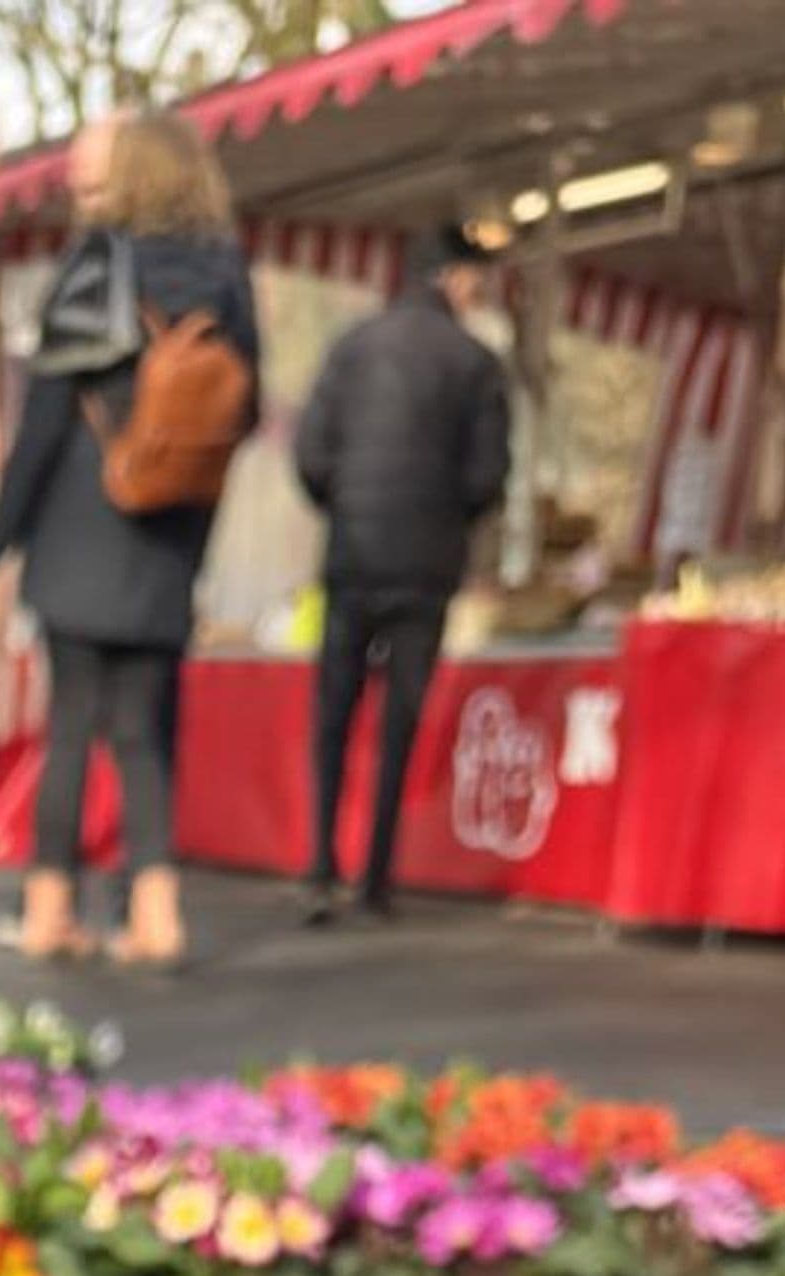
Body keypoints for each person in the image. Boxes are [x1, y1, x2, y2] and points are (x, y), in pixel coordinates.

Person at [0, 107, 258, 969]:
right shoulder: (224, 274)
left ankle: (49, 909)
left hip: (78, 520)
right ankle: (156, 912)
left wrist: (1, 533)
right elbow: (239, 409)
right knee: (141, 729)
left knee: (69, 724)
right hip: (169, 529)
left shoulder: (96, 264)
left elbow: (47, 415)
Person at [292, 224, 510, 927]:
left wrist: (345, 505)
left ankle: (320, 865)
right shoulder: (474, 363)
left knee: (333, 713)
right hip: (425, 564)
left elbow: (309, 450)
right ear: (453, 277)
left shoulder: (351, 348)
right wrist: (445, 518)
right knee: (398, 723)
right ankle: (376, 876)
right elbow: (487, 475)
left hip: (351, 554)